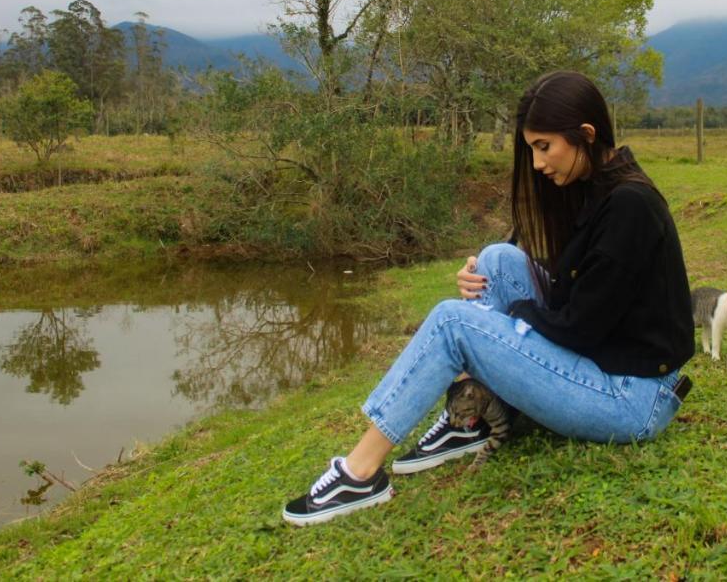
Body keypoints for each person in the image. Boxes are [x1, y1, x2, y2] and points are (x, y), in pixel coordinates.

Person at [283, 70, 694, 525]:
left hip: (631, 397)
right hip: (609, 360)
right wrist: (488, 288)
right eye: (532, 149)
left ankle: (359, 474)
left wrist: (512, 315)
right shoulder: (598, 188)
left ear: (587, 134)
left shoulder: (629, 206)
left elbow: (580, 328)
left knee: (452, 322)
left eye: (544, 147)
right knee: (497, 260)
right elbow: (574, 286)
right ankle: (473, 420)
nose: (538, 164)